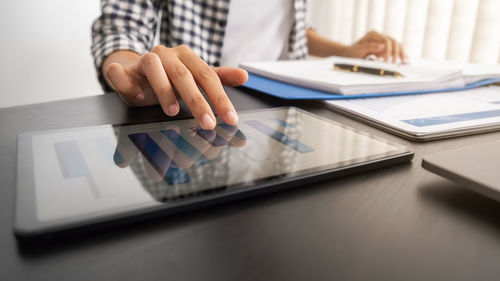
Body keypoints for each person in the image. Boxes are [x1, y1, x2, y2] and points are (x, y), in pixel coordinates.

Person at [91, 0, 406, 130]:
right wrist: (132, 69)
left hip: (291, 112)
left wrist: (346, 50)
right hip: (204, 107)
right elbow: (122, 25)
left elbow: (291, 28)